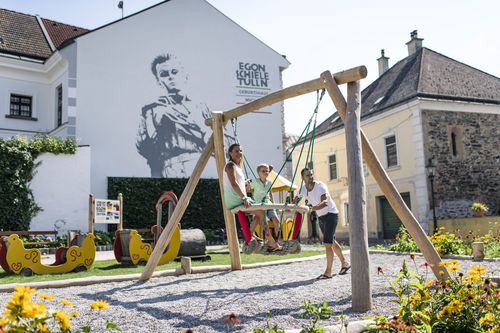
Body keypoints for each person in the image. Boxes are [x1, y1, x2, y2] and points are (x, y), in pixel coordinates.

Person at [136, 53, 211, 177]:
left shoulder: (201, 107)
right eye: (164, 74)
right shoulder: (152, 110)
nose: (170, 77)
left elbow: (225, 144)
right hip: (171, 170)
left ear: (184, 75)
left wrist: (200, 125)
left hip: (205, 167)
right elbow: (145, 149)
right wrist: (154, 126)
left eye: (174, 72)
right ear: (159, 81)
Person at [296, 167, 350, 279]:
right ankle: (345, 263)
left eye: (311, 174)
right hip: (321, 216)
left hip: (331, 214)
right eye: (307, 175)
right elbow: (296, 200)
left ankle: (328, 272)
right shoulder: (303, 188)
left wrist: (311, 208)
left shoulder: (320, 186)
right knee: (331, 241)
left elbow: (324, 202)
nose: (310, 177)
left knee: (327, 243)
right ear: (303, 178)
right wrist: (290, 202)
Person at [224, 143, 260, 252]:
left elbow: (237, 184)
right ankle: (251, 238)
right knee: (260, 211)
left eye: (240, 151)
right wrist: (244, 197)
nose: (239, 153)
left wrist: (245, 185)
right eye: (236, 151)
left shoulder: (237, 167)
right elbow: (233, 183)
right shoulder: (230, 165)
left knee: (260, 212)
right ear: (230, 153)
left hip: (238, 197)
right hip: (235, 199)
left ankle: (250, 235)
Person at [248, 163, 282, 251]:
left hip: (268, 203)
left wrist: (274, 205)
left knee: (276, 221)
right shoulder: (254, 182)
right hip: (259, 205)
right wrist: (246, 184)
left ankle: (276, 240)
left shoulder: (269, 182)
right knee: (262, 223)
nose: (266, 172)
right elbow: (247, 189)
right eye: (263, 171)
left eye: (267, 171)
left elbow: (270, 194)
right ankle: (270, 241)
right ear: (258, 173)